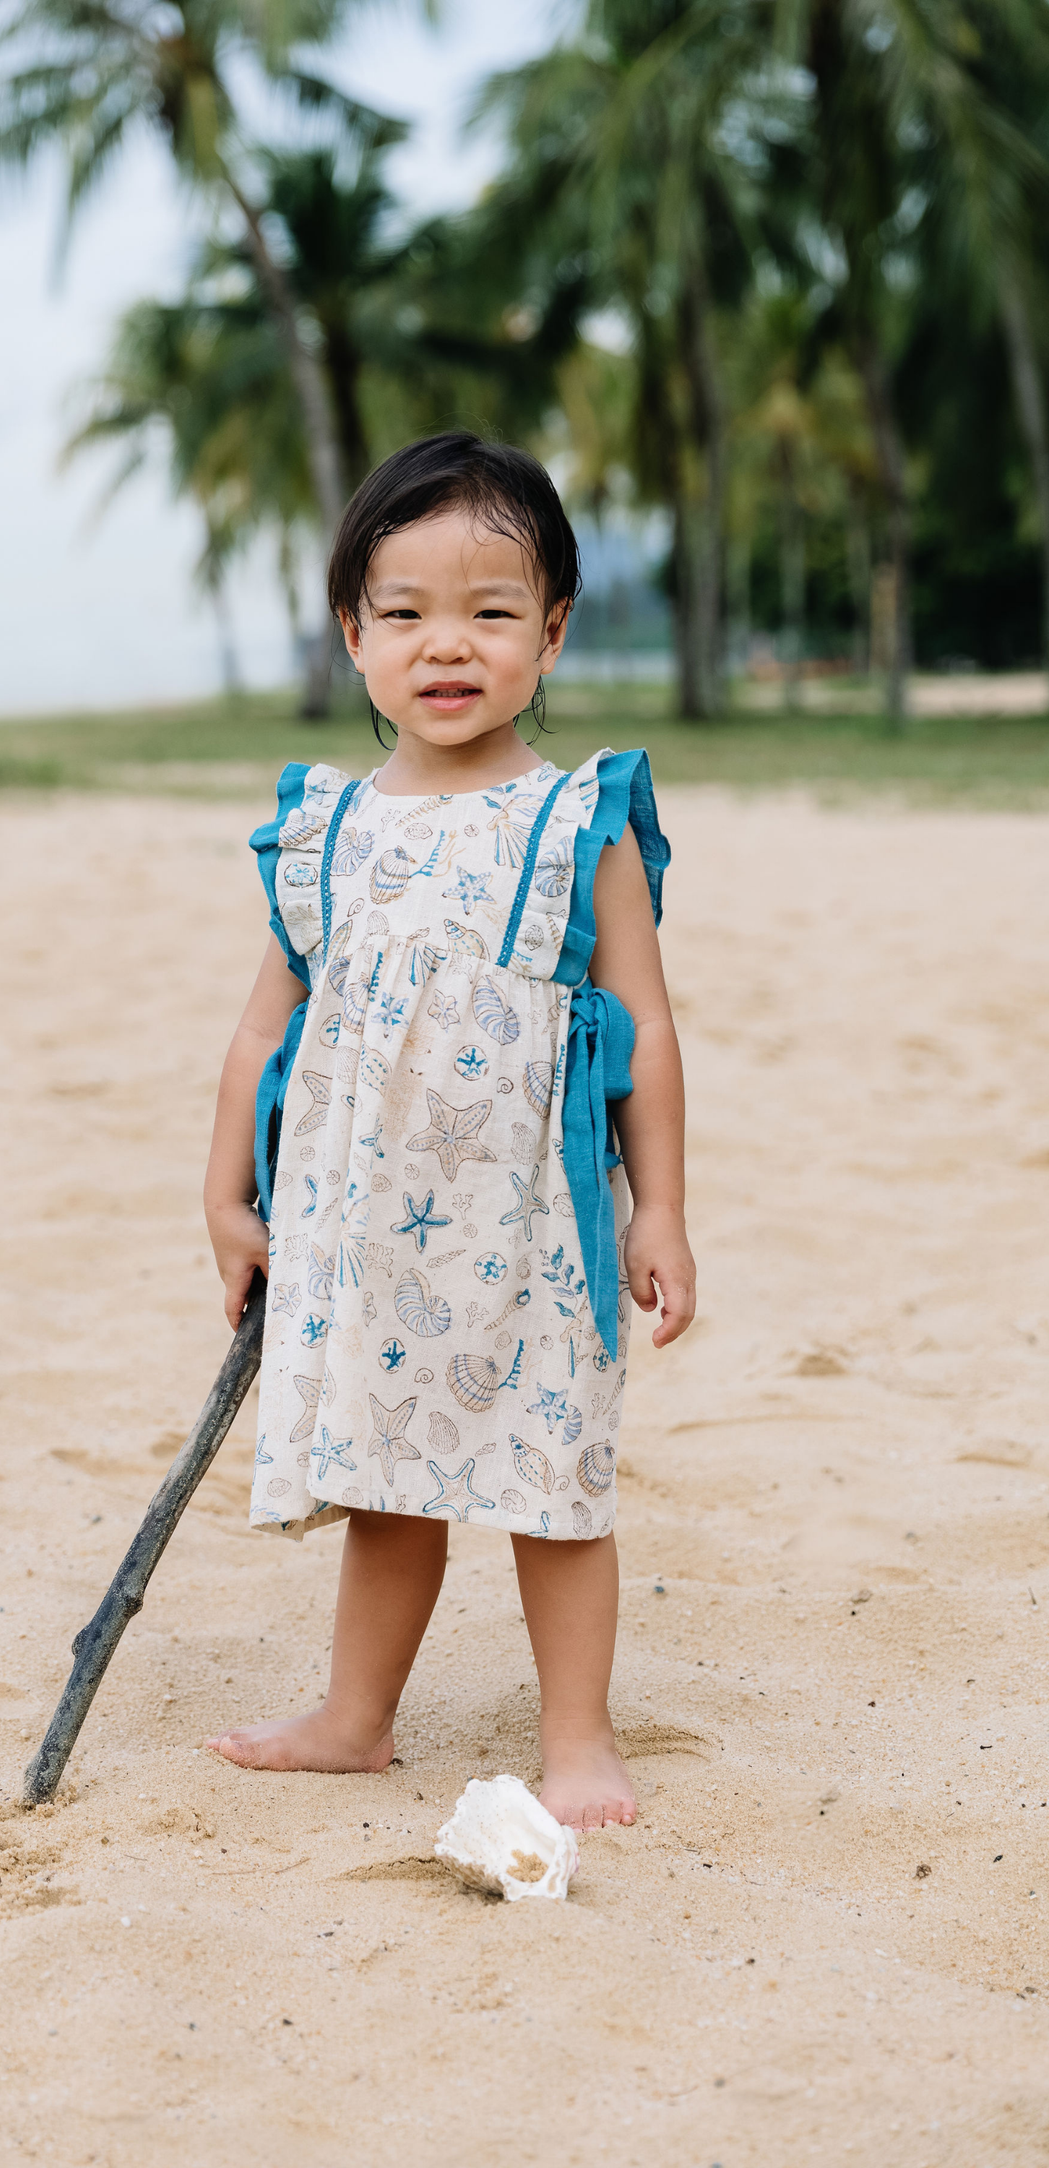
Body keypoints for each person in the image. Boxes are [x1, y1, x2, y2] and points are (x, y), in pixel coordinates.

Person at [201, 432, 696, 1829]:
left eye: (490, 611)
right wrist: (227, 1199)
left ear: (551, 632)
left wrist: (658, 1208)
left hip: (537, 1219)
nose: (447, 645)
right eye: (406, 612)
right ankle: (358, 1718)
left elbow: (645, 1027)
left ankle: (580, 1738)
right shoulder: (329, 830)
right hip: (369, 1224)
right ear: (354, 633)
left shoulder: (574, 818)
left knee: (558, 1481)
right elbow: (261, 1030)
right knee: (388, 1476)